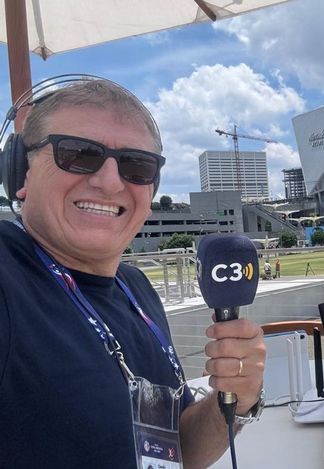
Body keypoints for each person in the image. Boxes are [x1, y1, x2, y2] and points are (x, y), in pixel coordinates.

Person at [0, 79, 266, 468]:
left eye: (136, 165)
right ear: (21, 173)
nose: (109, 182)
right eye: (77, 154)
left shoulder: (135, 288)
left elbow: (178, 449)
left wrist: (238, 399)